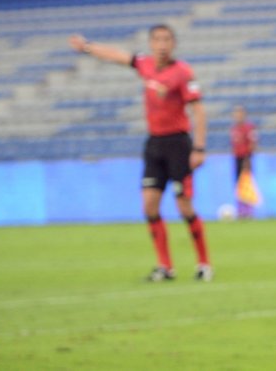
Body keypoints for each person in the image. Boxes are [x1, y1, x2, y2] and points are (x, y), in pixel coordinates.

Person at [68, 25, 212, 282]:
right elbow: (117, 55)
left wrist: (199, 148)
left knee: (184, 206)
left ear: (174, 44)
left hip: (178, 144)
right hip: (154, 144)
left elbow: (198, 110)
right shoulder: (144, 65)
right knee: (149, 204)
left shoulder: (183, 72)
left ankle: (203, 263)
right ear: (150, 43)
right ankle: (165, 266)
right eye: (157, 40)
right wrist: (87, 47)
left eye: (166, 40)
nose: (162, 44)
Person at [229, 105, 258, 219]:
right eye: (236, 114)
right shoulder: (233, 128)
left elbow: (252, 143)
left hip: (246, 158)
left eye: (239, 113)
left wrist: (248, 158)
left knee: (246, 183)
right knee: (238, 184)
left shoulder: (249, 128)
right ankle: (240, 210)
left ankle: (248, 210)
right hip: (237, 158)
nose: (237, 116)